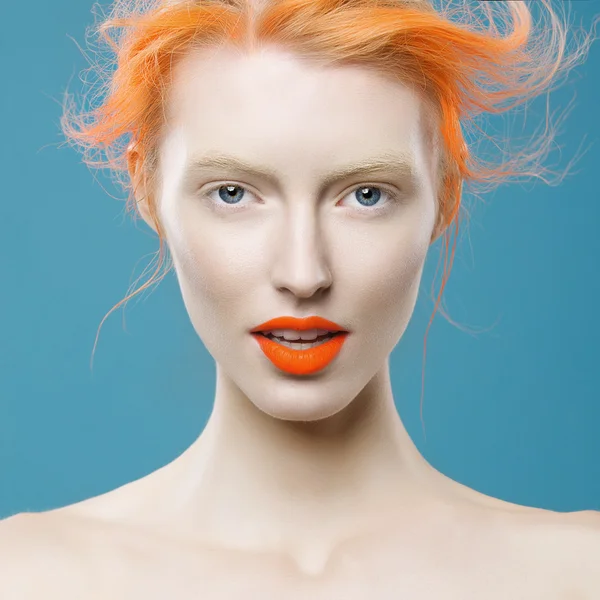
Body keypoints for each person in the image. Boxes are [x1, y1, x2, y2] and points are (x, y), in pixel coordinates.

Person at [1, 0, 599, 597]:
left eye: (366, 195)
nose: (304, 273)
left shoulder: (578, 571)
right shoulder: (26, 574)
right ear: (147, 189)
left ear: (444, 194)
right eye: (233, 193)